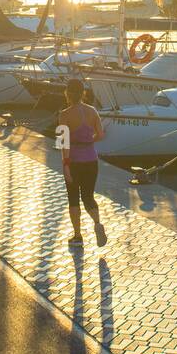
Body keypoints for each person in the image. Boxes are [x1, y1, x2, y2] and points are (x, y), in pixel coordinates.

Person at [58, 76, 107, 247]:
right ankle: (97, 223)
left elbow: (63, 143)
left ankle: (77, 236)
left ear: (67, 93)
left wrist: (66, 166)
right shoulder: (92, 111)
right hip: (91, 159)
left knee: (73, 198)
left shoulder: (64, 115)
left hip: (74, 161)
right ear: (83, 93)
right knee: (88, 197)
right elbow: (101, 135)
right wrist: (88, 140)